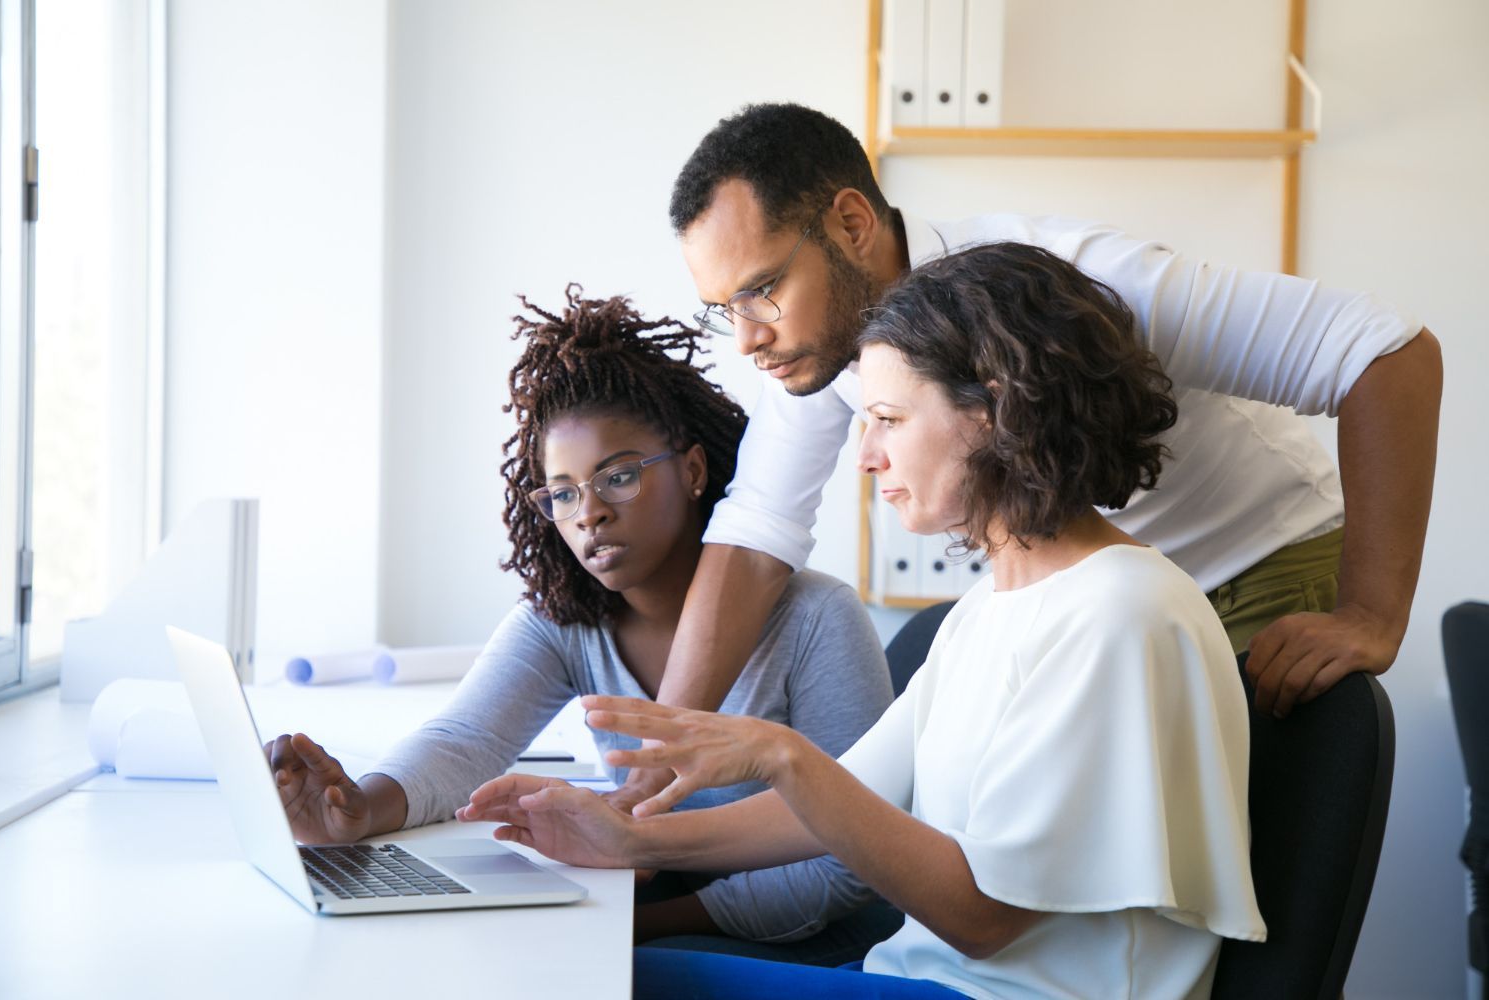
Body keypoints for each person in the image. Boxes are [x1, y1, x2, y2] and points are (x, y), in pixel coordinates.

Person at [460, 243, 1268, 999]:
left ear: (992, 412)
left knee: (595, 982)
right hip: (915, 977)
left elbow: (984, 921)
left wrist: (781, 755)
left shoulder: (1119, 615)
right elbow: (850, 801)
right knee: (576, 969)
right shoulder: (991, 607)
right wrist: (629, 840)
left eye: (888, 419)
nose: (866, 455)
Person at [606, 103, 1442, 811]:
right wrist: (652, 775)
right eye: (724, 308)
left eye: (761, 290)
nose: (747, 336)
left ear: (852, 225)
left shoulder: (1080, 285)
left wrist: (1372, 612)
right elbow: (754, 535)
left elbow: (1386, 354)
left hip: (1260, 569)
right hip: (1100, 608)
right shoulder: (816, 346)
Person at [262, 286, 897, 960]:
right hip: (658, 905)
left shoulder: (816, 620)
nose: (588, 513)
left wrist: (628, 928)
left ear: (692, 470)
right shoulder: (566, 621)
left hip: (812, 937)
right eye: (562, 492)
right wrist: (360, 808)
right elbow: (466, 739)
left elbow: (851, 864)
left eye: (618, 477)